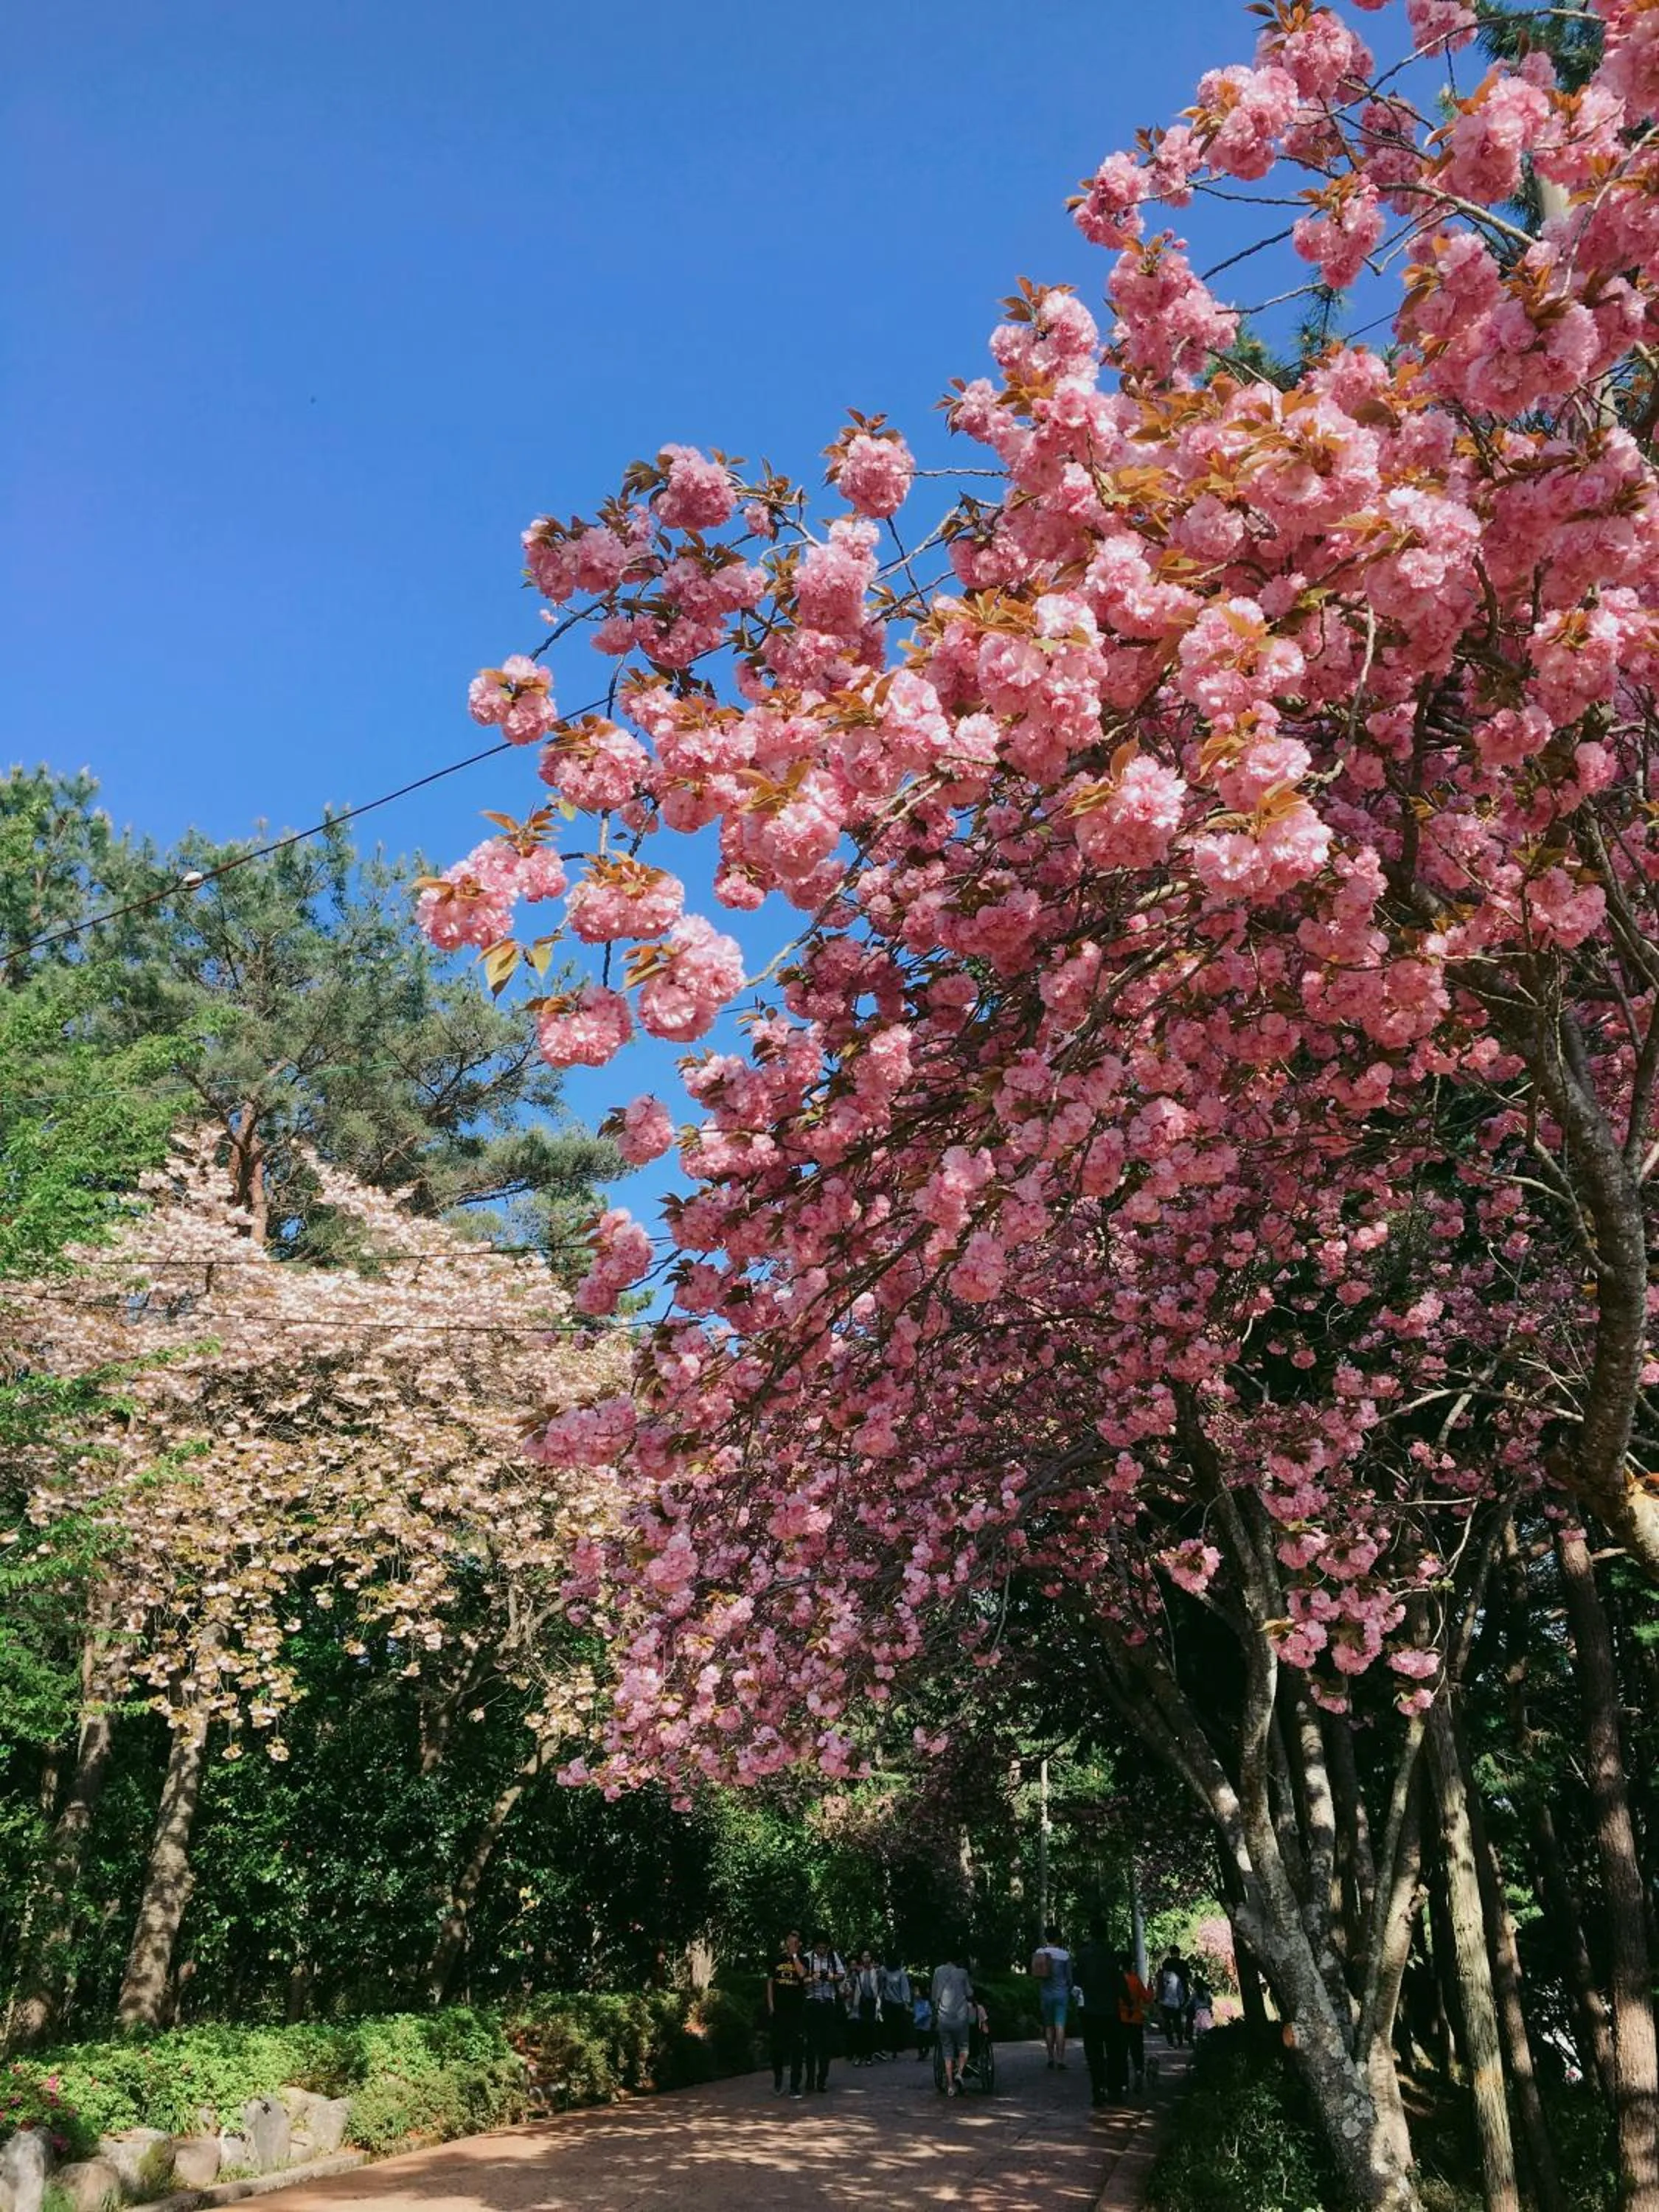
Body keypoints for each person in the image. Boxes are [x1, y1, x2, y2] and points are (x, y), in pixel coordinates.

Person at [1074, 1923, 1118, 2110]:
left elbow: (1077, 1981)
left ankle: (1097, 2089)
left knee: (1093, 2052)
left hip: (1090, 2010)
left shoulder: (1083, 1955)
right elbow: (1117, 1980)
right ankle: (1113, 2088)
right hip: (1110, 2010)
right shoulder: (1111, 1954)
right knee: (1113, 2050)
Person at [766, 1928, 809, 2097]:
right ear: (786, 1942)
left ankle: (794, 2085)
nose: (792, 1944)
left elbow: (802, 1974)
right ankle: (778, 2077)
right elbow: (770, 1983)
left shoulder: (804, 1959)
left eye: (796, 1942)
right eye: (790, 1941)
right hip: (779, 2011)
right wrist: (771, 2005)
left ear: (800, 1945)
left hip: (797, 2011)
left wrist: (795, 1956)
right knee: (777, 2049)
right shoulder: (776, 1960)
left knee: (797, 2049)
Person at [802, 1933, 846, 2092]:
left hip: (828, 2003)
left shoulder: (833, 1958)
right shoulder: (807, 1958)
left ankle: (822, 2079)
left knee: (826, 2044)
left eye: (824, 1947)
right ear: (814, 1946)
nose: (822, 1950)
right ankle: (809, 2079)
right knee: (811, 2044)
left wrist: (830, 1977)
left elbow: (842, 1975)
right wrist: (812, 1978)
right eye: (819, 1947)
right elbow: (800, 1979)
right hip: (812, 2002)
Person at [931, 1947, 975, 2096]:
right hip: (960, 2018)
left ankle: (950, 2085)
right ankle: (960, 2073)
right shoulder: (962, 1973)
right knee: (964, 2047)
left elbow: (934, 1996)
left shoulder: (938, 1972)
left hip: (944, 2018)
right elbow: (970, 1993)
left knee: (947, 2051)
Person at [1032, 1922, 1075, 2070]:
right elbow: (1070, 1978)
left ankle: (1050, 2057)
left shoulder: (1039, 1952)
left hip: (1046, 1993)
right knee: (1060, 2026)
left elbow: (1036, 1974)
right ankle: (1061, 2059)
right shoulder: (1065, 1955)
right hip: (1061, 1994)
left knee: (1048, 2026)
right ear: (1058, 1938)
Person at [1116, 1950, 1152, 2092]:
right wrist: (1151, 1989)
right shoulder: (1135, 1980)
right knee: (1137, 2050)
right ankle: (1138, 2073)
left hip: (1120, 2020)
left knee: (1122, 2052)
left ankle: (1124, 2083)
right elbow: (1147, 1998)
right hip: (1136, 2020)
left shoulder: (1116, 1980)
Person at [850, 1948, 882, 2065]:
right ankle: (859, 2055)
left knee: (870, 2029)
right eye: (864, 1956)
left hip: (872, 2002)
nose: (866, 1958)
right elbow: (853, 1985)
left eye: (868, 1956)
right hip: (861, 2002)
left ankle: (869, 2056)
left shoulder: (876, 1972)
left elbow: (880, 1986)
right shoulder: (859, 1972)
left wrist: (879, 2000)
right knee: (860, 2029)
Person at [879, 1955, 912, 2058]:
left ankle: (896, 2048)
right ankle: (889, 2047)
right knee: (888, 2026)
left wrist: (906, 2002)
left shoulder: (901, 1973)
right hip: (887, 2002)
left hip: (898, 2003)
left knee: (897, 2026)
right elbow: (880, 1983)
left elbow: (905, 1988)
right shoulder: (884, 1971)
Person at [1155, 1950, 1189, 2045]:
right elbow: (1181, 1990)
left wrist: (1157, 1999)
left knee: (1167, 2023)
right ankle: (1180, 2040)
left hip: (1164, 2002)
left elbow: (1158, 1988)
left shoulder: (1161, 1976)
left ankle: (1170, 2042)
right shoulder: (1177, 1974)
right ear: (1178, 1953)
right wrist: (1183, 2000)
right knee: (1177, 2022)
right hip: (1176, 2002)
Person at [1189, 1971, 1215, 2039]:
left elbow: (1190, 2002)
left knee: (1199, 2028)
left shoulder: (1195, 1994)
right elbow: (1211, 2002)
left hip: (1198, 2011)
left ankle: (1199, 2041)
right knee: (1208, 2027)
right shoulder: (1206, 1992)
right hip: (1207, 2011)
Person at [913, 1981, 934, 2061]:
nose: (915, 1993)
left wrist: (916, 2019)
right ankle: (921, 2053)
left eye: (917, 1991)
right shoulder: (916, 2001)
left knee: (924, 2038)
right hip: (919, 2024)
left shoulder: (926, 2002)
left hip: (924, 2024)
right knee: (919, 2039)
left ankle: (925, 2050)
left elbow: (925, 2013)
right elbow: (916, 2011)